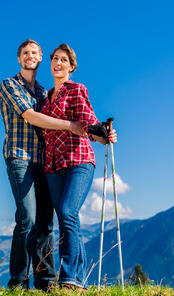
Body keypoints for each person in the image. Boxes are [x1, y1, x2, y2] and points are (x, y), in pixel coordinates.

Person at [0, 39, 86, 290]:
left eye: (34, 53)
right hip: (20, 158)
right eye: (25, 53)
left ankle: (45, 280)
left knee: (46, 223)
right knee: (27, 217)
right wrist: (71, 126)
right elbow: (32, 117)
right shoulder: (9, 84)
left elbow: (78, 117)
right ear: (19, 58)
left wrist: (99, 133)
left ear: (39, 59)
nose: (30, 56)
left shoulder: (44, 93)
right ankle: (18, 281)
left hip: (46, 161)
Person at [41, 44, 117, 290]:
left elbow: (88, 120)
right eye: (54, 59)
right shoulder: (44, 101)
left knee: (67, 212)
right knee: (66, 219)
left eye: (63, 60)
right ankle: (78, 281)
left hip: (79, 160)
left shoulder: (76, 90)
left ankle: (70, 278)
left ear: (71, 66)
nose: (57, 63)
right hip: (52, 166)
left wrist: (102, 134)